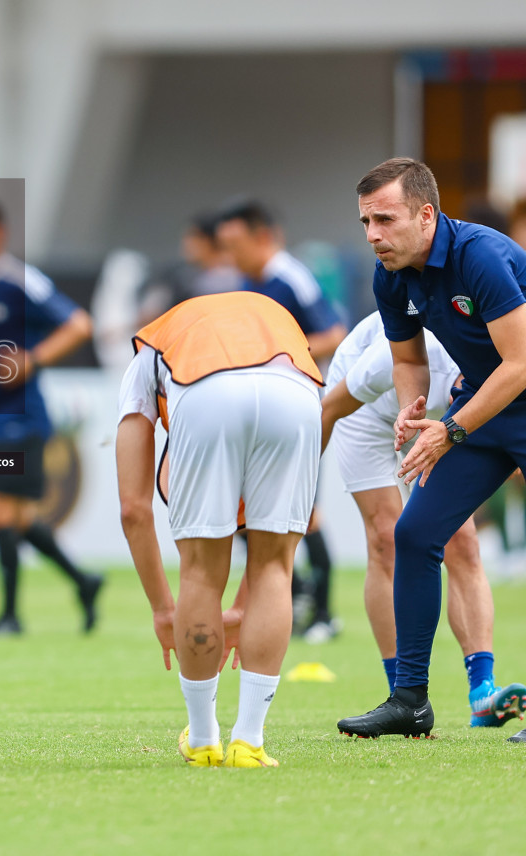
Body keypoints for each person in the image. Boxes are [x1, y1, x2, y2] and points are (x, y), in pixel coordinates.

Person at [337, 158, 526, 744]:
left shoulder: (480, 255)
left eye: (385, 219)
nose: (373, 234)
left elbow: (525, 364)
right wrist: (413, 408)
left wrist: (450, 429)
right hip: (484, 407)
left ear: (426, 215)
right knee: (414, 535)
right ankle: (410, 701)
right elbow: (407, 360)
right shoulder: (392, 274)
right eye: (364, 222)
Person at [117, 291, 323, 768]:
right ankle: (249, 741)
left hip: (203, 389)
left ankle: (205, 738)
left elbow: (133, 507)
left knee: (199, 575)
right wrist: (241, 609)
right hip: (296, 391)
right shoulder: (272, 315)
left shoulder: (151, 347)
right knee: (276, 567)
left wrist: (163, 610)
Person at [322, 312, 526, 728]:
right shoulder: (387, 359)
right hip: (363, 411)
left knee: (463, 541)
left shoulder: (494, 371)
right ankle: (404, 697)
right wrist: (299, 495)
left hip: (444, 428)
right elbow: (328, 410)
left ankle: (483, 694)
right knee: (389, 540)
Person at [0, 200, 102, 636]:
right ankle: (83, 581)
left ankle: (11, 615)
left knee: (0, 514)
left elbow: (79, 324)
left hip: (23, 416)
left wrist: (33, 359)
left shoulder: (19, 280)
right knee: (16, 519)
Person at [215, 199, 347, 639]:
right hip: (257, 410)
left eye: (235, 244)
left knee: (303, 511)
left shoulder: (290, 277)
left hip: (298, 409)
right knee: (247, 508)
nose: (229, 254)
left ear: (263, 237)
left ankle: (324, 613)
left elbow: (332, 334)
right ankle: (295, 594)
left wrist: (276, 355)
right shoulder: (248, 282)